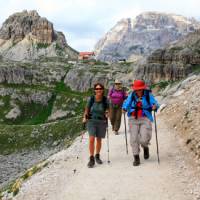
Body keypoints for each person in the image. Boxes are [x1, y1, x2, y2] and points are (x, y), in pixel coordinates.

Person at [122, 80, 159, 166]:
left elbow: (155, 103)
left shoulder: (148, 95)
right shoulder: (132, 95)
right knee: (133, 138)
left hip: (145, 117)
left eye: (140, 89)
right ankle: (136, 157)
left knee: (144, 138)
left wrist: (154, 106)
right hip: (133, 118)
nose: (138, 91)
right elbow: (126, 103)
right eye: (137, 89)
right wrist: (124, 108)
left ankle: (145, 147)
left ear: (143, 88)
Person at [83, 83, 109, 168]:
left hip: (101, 121)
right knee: (91, 139)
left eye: (100, 88)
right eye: (97, 89)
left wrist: (107, 113)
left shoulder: (105, 100)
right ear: (94, 90)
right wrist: (85, 117)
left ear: (102, 90)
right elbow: (87, 108)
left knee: (99, 140)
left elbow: (108, 108)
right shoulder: (91, 98)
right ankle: (91, 158)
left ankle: (97, 155)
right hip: (91, 120)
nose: (98, 90)